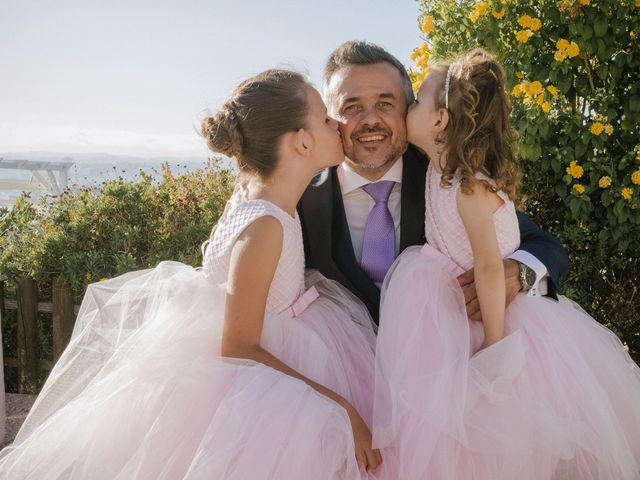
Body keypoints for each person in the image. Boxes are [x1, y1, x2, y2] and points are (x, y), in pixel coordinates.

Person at [0, 69, 382, 479]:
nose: (337, 124)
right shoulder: (266, 226)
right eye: (326, 118)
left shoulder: (253, 194)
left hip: (271, 359)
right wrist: (339, 406)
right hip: (257, 393)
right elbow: (239, 347)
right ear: (301, 141)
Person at [372, 49, 640, 479]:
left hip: (502, 326)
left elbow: (501, 261)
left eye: (412, 100)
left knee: (500, 435)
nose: (405, 110)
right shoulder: (432, 164)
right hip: (438, 320)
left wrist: (497, 343)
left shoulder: (469, 184)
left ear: (441, 120)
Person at [298, 41, 569, 323]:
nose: (371, 120)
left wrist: (520, 275)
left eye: (385, 104)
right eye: (352, 107)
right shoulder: (302, 199)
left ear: (408, 108)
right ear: (330, 116)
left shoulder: (449, 178)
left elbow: (550, 251)